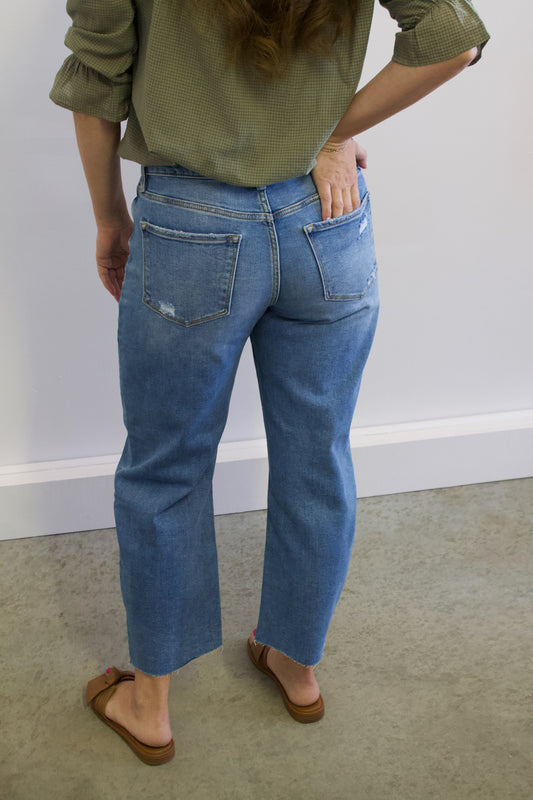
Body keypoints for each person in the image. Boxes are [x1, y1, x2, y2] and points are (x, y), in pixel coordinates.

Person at [51, 0, 489, 766]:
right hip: (326, 216)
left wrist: (110, 219)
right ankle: (295, 663)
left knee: (164, 468)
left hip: (190, 222)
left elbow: (97, 82)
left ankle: (149, 706)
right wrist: (325, 136)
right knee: (318, 455)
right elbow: (452, 40)